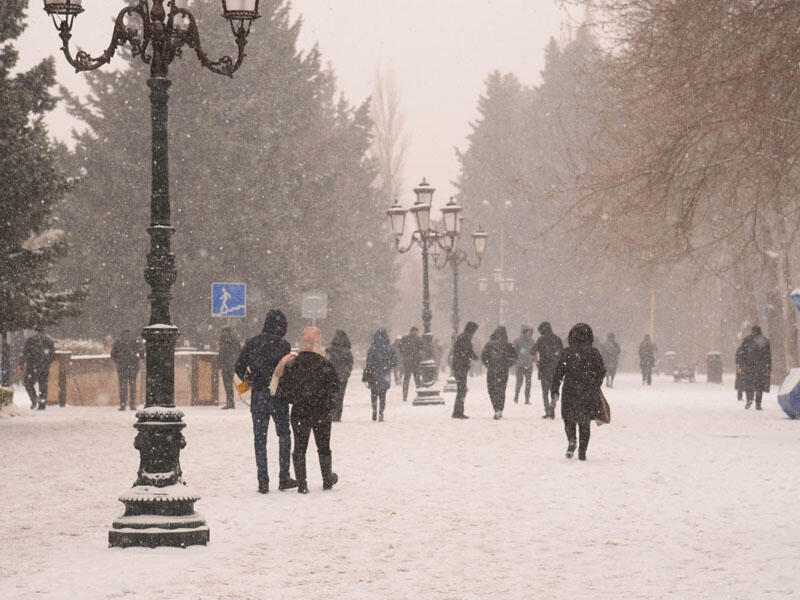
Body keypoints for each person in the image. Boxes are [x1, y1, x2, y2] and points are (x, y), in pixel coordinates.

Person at [234, 309, 297, 494]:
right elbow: (287, 370)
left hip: (259, 396)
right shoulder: (284, 345)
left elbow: (238, 367)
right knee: (284, 435)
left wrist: (250, 382)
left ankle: (263, 481)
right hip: (278, 396)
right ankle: (284, 477)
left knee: (259, 440)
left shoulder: (252, 343)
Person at [276, 327, 339, 494]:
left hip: (300, 412)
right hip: (321, 413)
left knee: (299, 448)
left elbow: (283, 392)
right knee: (323, 447)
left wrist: (298, 398)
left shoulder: (292, 364)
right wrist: (327, 404)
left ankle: (302, 483)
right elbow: (335, 389)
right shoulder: (326, 365)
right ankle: (327, 479)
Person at [551, 323, 606, 461]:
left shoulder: (567, 353)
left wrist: (555, 390)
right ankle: (582, 451)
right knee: (585, 422)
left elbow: (558, 373)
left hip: (570, 390)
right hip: (588, 391)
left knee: (569, 419)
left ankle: (571, 440)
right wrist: (595, 383)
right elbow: (601, 371)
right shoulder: (593, 353)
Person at [481, 326, 517, 419]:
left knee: (492, 389)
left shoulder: (489, 344)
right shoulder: (508, 345)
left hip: (492, 370)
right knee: (501, 390)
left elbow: (484, 357)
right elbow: (514, 357)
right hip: (503, 371)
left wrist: (488, 364)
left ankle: (496, 408)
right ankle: (499, 409)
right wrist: (507, 364)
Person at [362, 329, 396, 421]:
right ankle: (381, 411)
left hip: (373, 373)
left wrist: (369, 369)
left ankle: (374, 409)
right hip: (384, 373)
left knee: (373, 392)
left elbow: (368, 361)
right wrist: (388, 366)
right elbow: (394, 362)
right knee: (383, 393)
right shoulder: (389, 348)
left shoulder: (372, 348)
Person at [532, 321, 563, 419]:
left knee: (545, 391)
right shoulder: (557, 339)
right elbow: (562, 353)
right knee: (554, 389)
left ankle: (548, 409)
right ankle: (553, 405)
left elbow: (532, 350)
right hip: (556, 369)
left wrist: (536, 360)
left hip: (544, 368)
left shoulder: (541, 339)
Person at [21, 328, 56, 410]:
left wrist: (21, 363)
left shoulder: (30, 340)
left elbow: (24, 353)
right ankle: (42, 404)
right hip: (44, 367)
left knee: (28, 383)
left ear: (36, 331)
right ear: (44, 331)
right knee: (43, 385)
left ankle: (34, 399)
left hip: (32, 367)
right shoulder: (49, 341)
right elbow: (53, 356)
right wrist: (47, 362)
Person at [738, 325, 771, 410]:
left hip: (749, 366)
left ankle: (749, 399)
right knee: (759, 385)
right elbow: (768, 356)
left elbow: (741, 353)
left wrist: (741, 364)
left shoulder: (747, 340)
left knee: (749, 383)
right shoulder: (764, 341)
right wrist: (768, 367)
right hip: (761, 367)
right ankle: (758, 403)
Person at [451, 322, 479, 419]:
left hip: (459, 366)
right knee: (462, 390)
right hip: (460, 366)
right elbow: (467, 351)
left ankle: (458, 411)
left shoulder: (463, 337)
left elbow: (465, 351)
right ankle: (458, 412)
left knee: (461, 389)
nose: (475, 333)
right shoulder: (465, 338)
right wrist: (476, 357)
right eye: (475, 330)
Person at [326, 330, 353, 422]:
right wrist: (347, 373)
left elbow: (327, 362)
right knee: (340, 395)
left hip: (331, 375)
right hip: (343, 376)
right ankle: (337, 415)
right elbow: (350, 363)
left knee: (331, 394)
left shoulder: (331, 350)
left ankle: (331, 413)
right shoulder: (347, 351)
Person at [110, 329, 141, 411]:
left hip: (122, 367)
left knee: (123, 386)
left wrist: (119, 361)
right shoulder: (135, 341)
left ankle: (123, 404)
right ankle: (132, 404)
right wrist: (136, 359)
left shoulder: (118, 341)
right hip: (133, 367)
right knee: (133, 386)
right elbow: (141, 353)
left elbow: (113, 355)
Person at [217, 327, 240, 410]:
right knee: (229, 384)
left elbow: (222, 353)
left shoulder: (224, 339)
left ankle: (230, 402)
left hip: (226, 365)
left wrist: (219, 364)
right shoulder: (235, 339)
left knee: (228, 384)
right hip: (232, 364)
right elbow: (239, 351)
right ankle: (230, 401)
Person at [398, 326, 423, 401]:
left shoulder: (408, 339)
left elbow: (400, 347)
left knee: (412, 379)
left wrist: (404, 353)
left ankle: (407, 395)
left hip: (411, 361)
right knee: (414, 379)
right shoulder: (416, 339)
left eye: (416, 332)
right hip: (412, 361)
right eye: (415, 331)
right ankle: (408, 395)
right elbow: (400, 347)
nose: (416, 333)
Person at [512, 325, 535, 404]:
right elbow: (513, 352)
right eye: (528, 331)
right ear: (524, 331)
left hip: (529, 365)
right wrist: (519, 353)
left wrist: (535, 358)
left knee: (528, 383)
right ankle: (516, 395)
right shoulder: (517, 341)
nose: (530, 333)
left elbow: (534, 351)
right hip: (520, 365)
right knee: (519, 382)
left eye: (530, 332)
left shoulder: (532, 341)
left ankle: (527, 398)